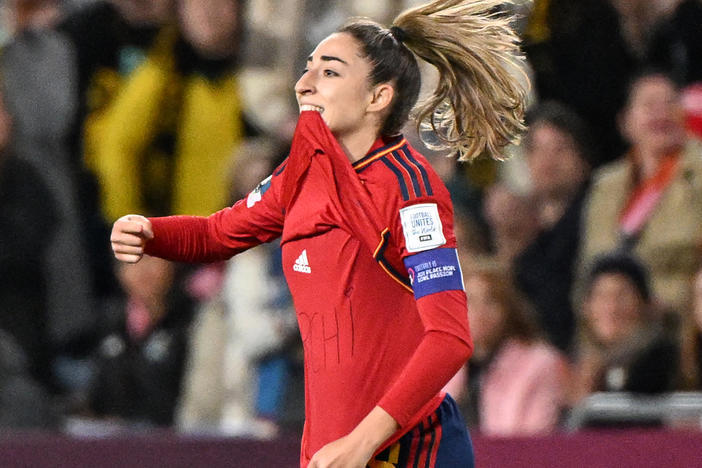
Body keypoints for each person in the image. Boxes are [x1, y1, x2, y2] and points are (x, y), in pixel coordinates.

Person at [111, 1, 527, 466]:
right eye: (307, 69)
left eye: (328, 72)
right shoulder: (302, 173)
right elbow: (219, 232)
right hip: (329, 450)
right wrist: (153, 233)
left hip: (407, 452)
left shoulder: (411, 191)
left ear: (378, 97)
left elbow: (450, 338)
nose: (302, 84)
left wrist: (364, 441)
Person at [577, 69, 702, 320]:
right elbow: (586, 270)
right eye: (648, 105)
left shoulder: (698, 173)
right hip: (613, 324)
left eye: (669, 103)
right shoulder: (605, 185)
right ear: (626, 122)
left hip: (680, 322)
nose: (661, 113)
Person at [445, 263, 569, 437]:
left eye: (490, 301)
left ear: (508, 309)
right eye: (470, 301)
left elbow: (535, 441)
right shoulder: (441, 367)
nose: (479, 312)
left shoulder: (540, 363)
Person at [513, 101, 594, 353]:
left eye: (560, 149)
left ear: (583, 160)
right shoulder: (524, 229)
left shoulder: (593, 220)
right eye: (537, 150)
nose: (548, 161)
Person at [570, 253, 679, 404]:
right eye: (601, 296)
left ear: (646, 304)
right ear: (586, 307)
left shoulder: (667, 362)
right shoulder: (574, 364)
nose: (611, 308)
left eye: (622, 296)